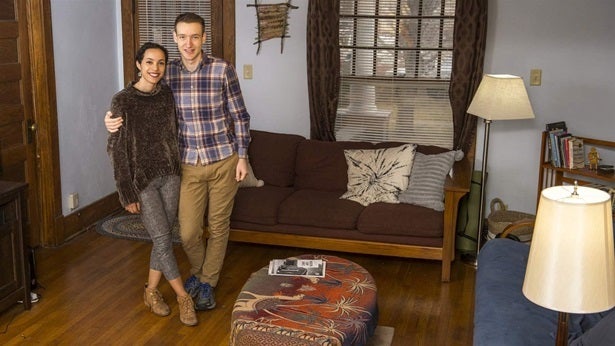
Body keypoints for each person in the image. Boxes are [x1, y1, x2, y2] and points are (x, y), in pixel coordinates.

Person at [105, 13, 251, 311]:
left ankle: (206, 282)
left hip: (224, 158)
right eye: (182, 36)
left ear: (203, 38)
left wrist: (243, 157)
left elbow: (240, 117)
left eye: (195, 36)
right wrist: (110, 118)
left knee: (219, 226)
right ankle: (198, 272)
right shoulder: (166, 72)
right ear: (175, 37)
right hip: (187, 164)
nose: (189, 43)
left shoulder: (223, 69)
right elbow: (136, 95)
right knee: (187, 232)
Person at [107, 42, 198, 326]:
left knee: (163, 238)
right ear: (138, 64)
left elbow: (176, 131)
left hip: (170, 175)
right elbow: (116, 149)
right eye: (149, 62)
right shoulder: (123, 100)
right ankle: (184, 297)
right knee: (161, 239)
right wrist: (126, 191)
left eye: (160, 63)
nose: (155, 69)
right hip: (142, 181)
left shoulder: (167, 94)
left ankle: (150, 291)